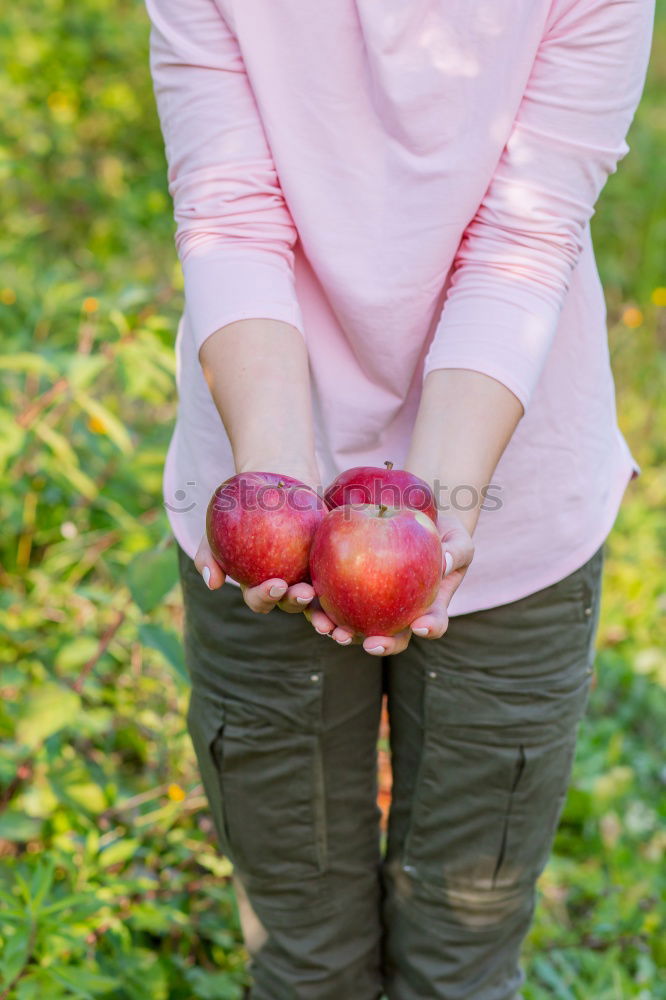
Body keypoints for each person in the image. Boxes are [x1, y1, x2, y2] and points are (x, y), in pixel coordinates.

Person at [144, 0, 654, 996]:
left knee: (461, 956)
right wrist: (277, 494)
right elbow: (230, 210)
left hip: (509, 509)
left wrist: (437, 512)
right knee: (304, 959)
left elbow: (523, 238)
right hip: (260, 470)